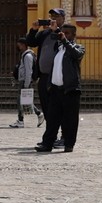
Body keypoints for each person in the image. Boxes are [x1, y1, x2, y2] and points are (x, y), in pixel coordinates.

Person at [36, 23, 83, 152]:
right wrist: (49, 85)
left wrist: (65, 41)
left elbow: (77, 54)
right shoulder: (58, 49)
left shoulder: (78, 47)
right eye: (62, 32)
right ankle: (47, 144)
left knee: (70, 120)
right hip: (56, 89)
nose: (63, 35)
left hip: (70, 89)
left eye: (67, 33)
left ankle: (69, 144)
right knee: (52, 119)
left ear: (74, 35)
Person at [25, 9, 66, 129]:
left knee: (59, 106)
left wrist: (56, 31)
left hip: (58, 77)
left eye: (56, 16)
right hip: (44, 76)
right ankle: (50, 133)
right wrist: (33, 30)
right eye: (51, 16)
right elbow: (31, 42)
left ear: (63, 18)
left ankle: (63, 135)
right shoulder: (44, 33)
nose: (53, 19)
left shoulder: (65, 31)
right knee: (46, 105)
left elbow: (67, 44)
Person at [11, 37, 41, 131]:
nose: (18, 47)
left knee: (20, 101)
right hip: (23, 80)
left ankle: (21, 121)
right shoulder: (25, 55)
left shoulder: (27, 56)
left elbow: (29, 71)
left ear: (23, 45)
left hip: (25, 81)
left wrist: (26, 84)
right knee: (25, 101)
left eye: (19, 45)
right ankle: (39, 114)